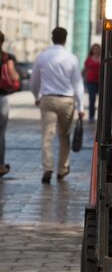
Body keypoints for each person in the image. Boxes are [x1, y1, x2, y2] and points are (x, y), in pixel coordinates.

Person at [30, 27, 85, 184]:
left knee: (47, 135)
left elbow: (34, 81)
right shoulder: (71, 58)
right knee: (64, 135)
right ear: (65, 39)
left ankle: (48, 168)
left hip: (48, 99)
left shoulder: (42, 56)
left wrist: (37, 96)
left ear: (52, 38)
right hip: (67, 100)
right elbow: (78, 85)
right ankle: (62, 169)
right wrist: (81, 107)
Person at [0, 32, 20, 178]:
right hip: (1, 97)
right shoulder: (7, 57)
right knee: (0, 133)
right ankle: (0, 166)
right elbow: (14, 76)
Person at [83, 43, 101, 122]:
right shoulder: (89, 59)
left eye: (97, 48)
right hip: (91, 81)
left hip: (101, 81)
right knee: (92, 99)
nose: (96, 50)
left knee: (102, 100)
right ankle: (91, 117)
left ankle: (101, 117)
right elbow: (85, 69)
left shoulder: (102, 58)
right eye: (94, 48)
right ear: (92, 50)